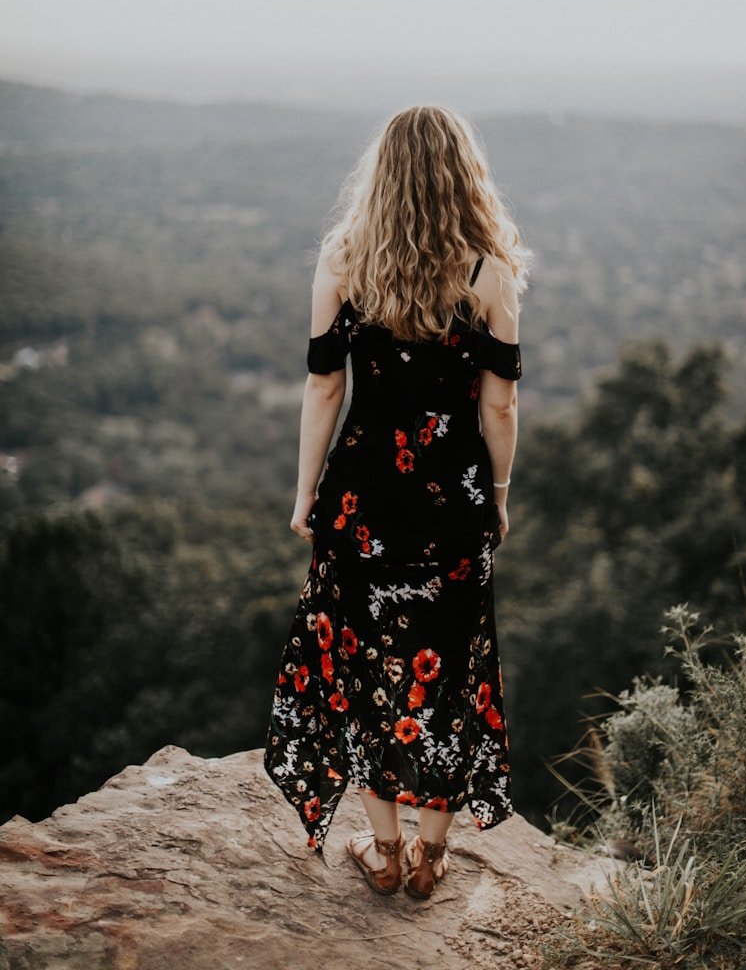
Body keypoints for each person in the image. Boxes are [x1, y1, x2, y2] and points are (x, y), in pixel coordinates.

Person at [264, 103, 531, 899]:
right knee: (445, 665)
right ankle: (432, 856)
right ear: (462, 174)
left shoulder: (345, 260)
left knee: (364, 658)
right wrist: (501, 497)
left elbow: (323, 386)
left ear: (380, 175)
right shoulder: (490, 274)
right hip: (455, 501)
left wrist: (306, 491)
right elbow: (500, 407)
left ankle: (382, 849)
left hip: (362, 499)